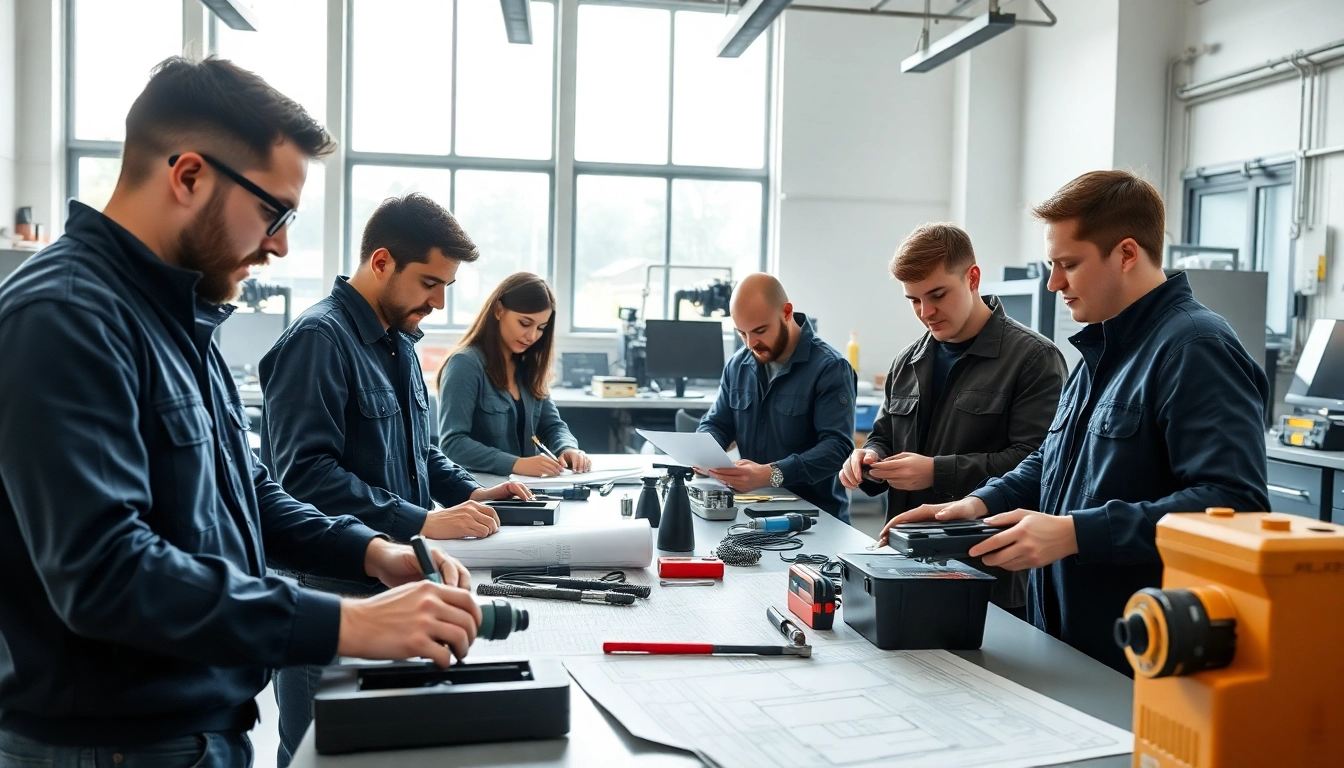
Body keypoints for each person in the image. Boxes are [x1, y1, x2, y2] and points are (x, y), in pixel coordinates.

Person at [0, 58, 481, 763]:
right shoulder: (65, 315)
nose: (282, 242)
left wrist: (371, 552)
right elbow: (107, 574)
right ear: (189, 176)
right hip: (116, 747)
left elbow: (248, 492)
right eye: (273, 210)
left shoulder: (177, 316)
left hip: (199, 732)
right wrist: (348, 624)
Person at [881, 170, 1270, 674]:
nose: (1053, 282)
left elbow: (1233, 503)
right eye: (1052, 264)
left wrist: (1075, 533)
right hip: (1066, 638)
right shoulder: (1098, 351)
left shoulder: (1195, 347)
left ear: (1127, 254)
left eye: (1069, 264)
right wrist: (975, 503)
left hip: (1139, 652)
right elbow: (1052, 460)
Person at [259, 192, 531, 764]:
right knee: (319, 754)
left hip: (393, 589)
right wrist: (425, 520)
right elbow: (303, 477)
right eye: (429, 283)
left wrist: (469, 492)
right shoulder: (319, 340)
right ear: (381, 262)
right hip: (330, 597)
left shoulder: (401, 341)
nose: (437, 302)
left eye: (445, 288)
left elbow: (421, 451)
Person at [840, 223, 1067, 615]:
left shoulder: (1033, 360)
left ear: (973, 278)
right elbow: (884, 436)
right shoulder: (906, 362)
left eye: (937, 295)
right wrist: (869, 459)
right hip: (904, 565)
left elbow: (1040, 465)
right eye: (913, 300)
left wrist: (936, 472)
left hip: (987, 580)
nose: (926, 313)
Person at [698, 273, 857, 522]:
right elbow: (718, 423)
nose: (751, 344)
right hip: (752, 514)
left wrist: (770, 474)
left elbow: (837, 449)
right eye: (742, 333)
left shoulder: (830, 368)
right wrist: (704, 452)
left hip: (816, 519)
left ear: (786, 312)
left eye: (760, 331)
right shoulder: (738, 365)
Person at [438, 272, 590, 477]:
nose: (532, 336)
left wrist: (567, 448)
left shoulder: (528, 366)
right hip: (480, 491)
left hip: (525, 488)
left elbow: (552, 425)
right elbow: (453, 443)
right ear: (499, 310)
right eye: (525, 323)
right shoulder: (465, 364)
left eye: (541, 328)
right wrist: (516, 464)